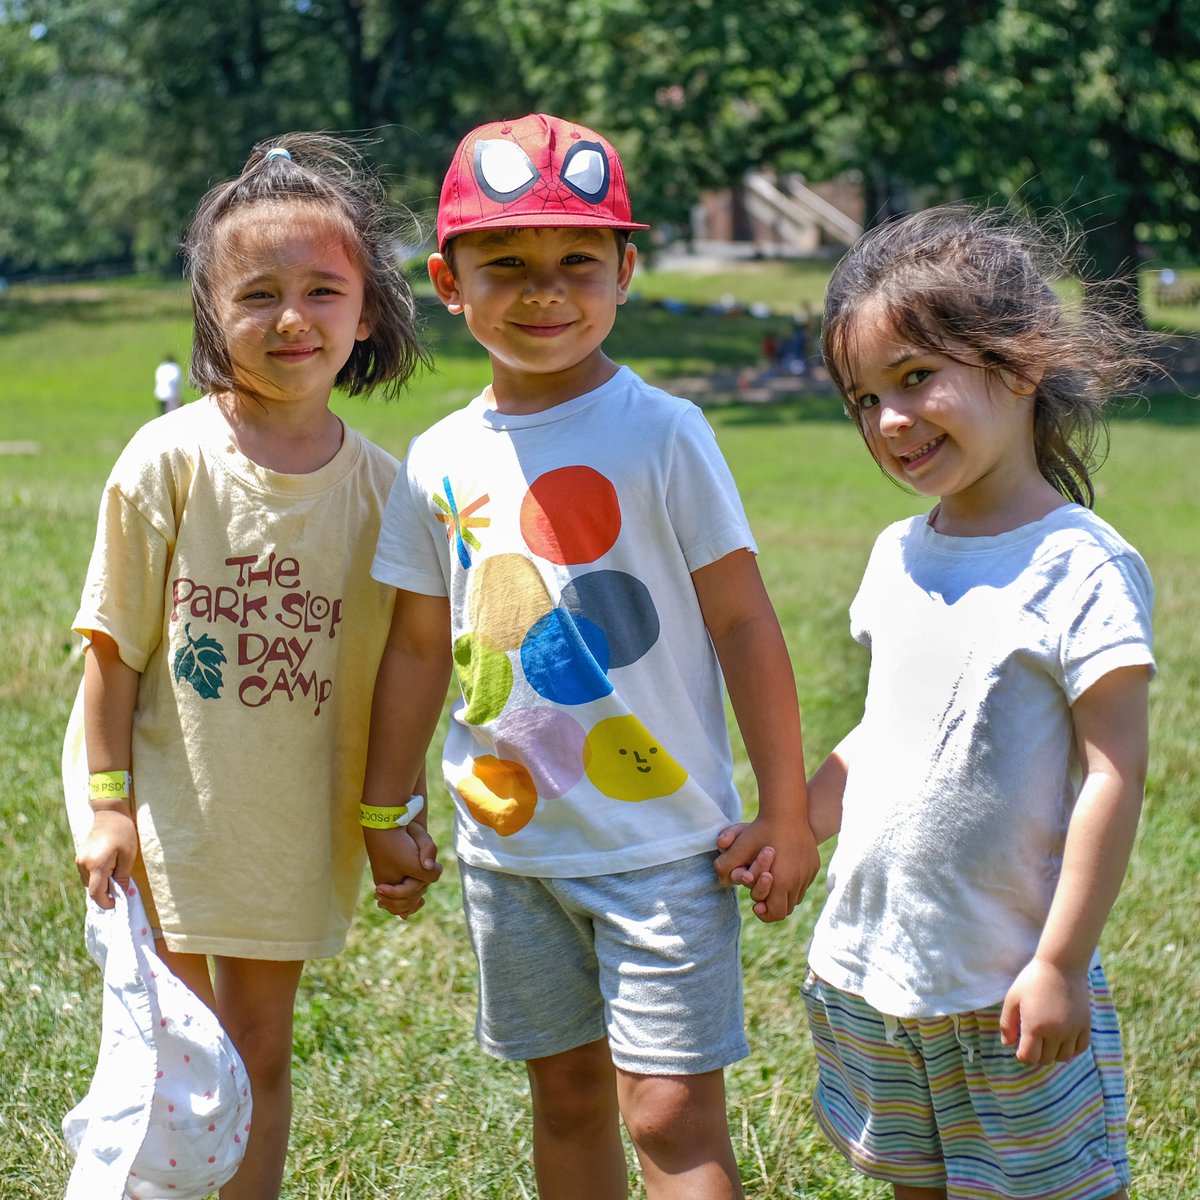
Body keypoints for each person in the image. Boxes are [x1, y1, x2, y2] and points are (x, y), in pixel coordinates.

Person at [364, 112, 820, 1200]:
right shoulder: (438, 457)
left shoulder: (665, 431)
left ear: (626, 268)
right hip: (511, 850)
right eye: (505, 264)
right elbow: (423, 647)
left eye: (577, 261)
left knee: (668, 1114)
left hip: (664, 844)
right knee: (564, 1097)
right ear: (448, 280)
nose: (544, 292)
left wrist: (787, 809)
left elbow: (745, 624)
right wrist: (385, 811)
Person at [733, 205, 1156, 1200]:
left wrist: (1060, 962)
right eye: (864, 397)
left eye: (916, 378)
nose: (889, 420)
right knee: (912, 1183)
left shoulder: (1083, 566)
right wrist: (790, 820)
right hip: (879, 970)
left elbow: (1114, 772)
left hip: (1005, 979)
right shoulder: (898, 554)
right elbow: (886, 732)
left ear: (1020, 363)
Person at [63, 132, 430, 1200]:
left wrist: (390, 813)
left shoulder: (387, 491)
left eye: (324, 291)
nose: (291, 319)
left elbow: (409, 663)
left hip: (287, 827)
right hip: (172, 822)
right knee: (182, 1067)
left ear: (366, 313)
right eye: (258, 293)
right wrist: (109, 803)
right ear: (213, 313)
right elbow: (112, 645)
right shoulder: (167, 459)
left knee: (256, 1057)